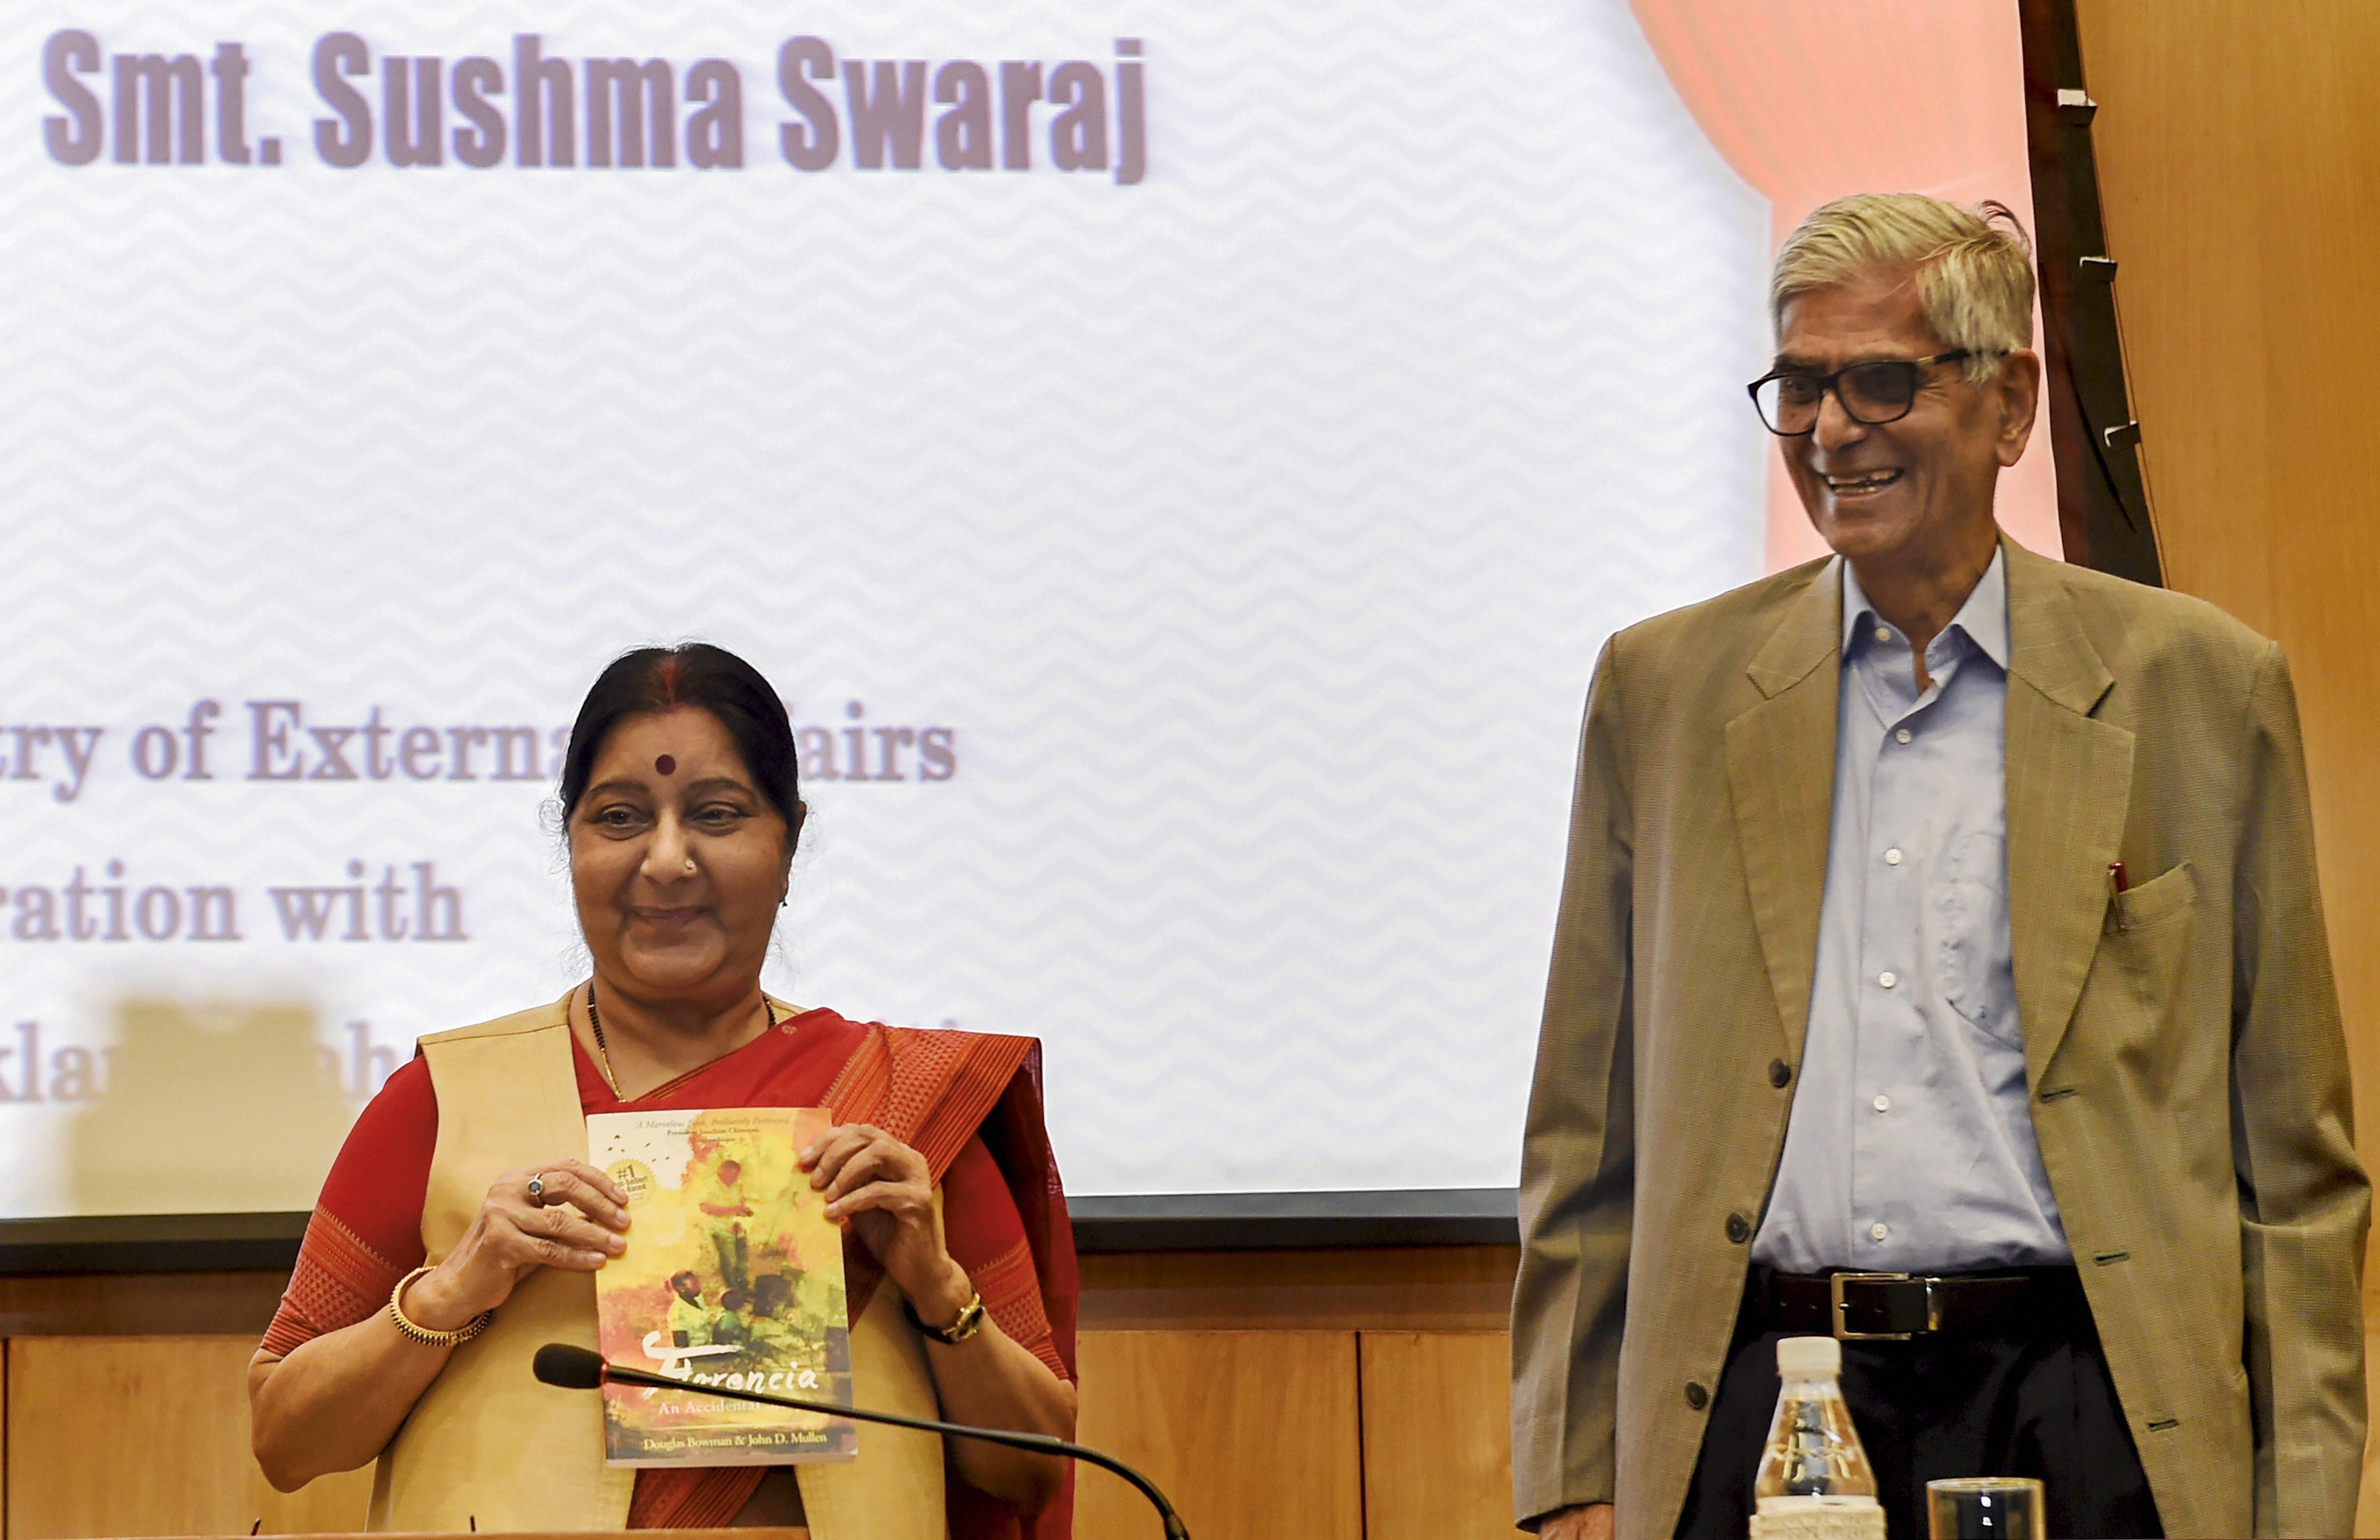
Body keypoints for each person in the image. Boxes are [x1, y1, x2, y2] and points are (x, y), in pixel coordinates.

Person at [1509, 194, 2367, 1540]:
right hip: (1764, 1399)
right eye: (1799, 388)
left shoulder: (2203, 692)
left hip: (2090, 1401)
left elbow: (2300, 1180)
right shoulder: (1663, 693)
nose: (1833, 432)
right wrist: (1569, 1480)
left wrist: (2307, 1507)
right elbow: (1585, 1137)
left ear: (2011, 403)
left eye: (1882, 381)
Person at [248, 643, 1080, 1540]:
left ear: (789, 842)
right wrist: (449, 1292)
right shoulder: (445, 1097)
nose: (667, 860)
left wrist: (933, 1283)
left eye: (717, 814)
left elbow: (1034, 1469)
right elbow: (285, 1440)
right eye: (619, 817)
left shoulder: (897, 1109)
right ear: (568, 840)